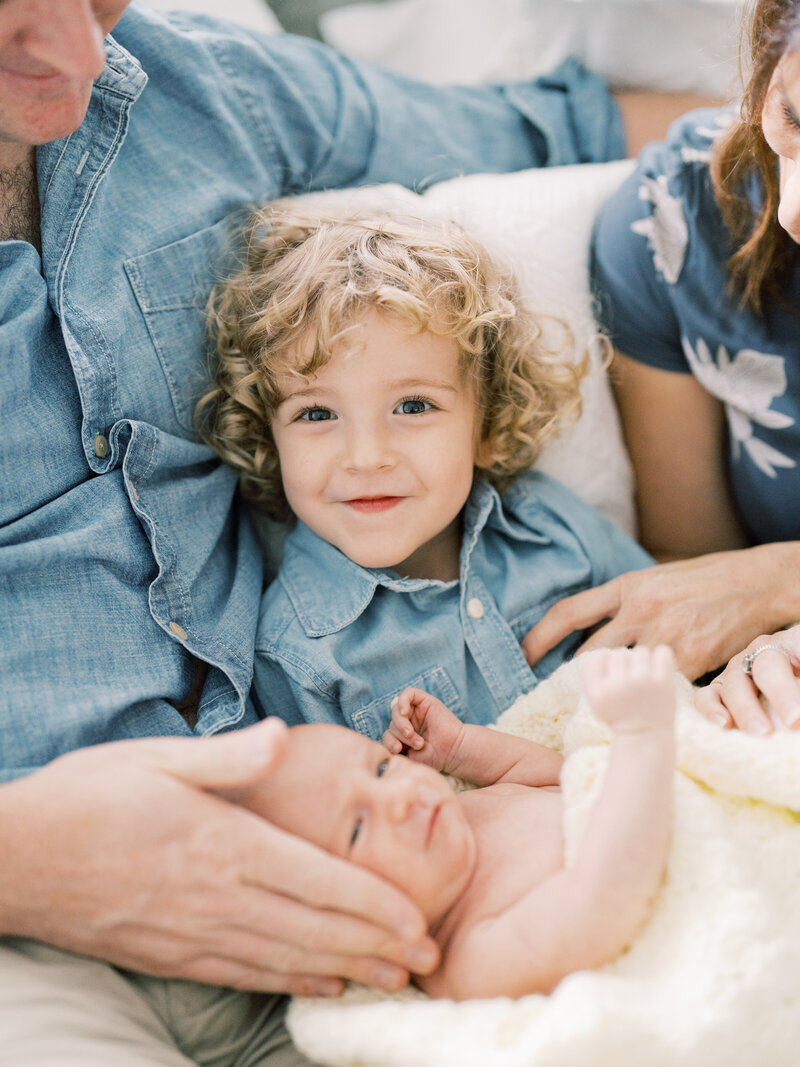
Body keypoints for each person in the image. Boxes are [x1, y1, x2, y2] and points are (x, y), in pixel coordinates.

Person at [0, 0, 723, 1060]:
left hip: (397, 919)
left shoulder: (185, 80)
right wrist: (25, 858)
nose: (81, 55)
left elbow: (553, 128)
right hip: (41, 950)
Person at [196, 203, 653, 737]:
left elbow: (680, 640)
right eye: (316, 414)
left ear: (486, 426)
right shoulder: (298, 659)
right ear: (271, 442)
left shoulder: (556, 528)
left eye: (413, 406)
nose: (366, 456)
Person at [522, 0, 800, 739]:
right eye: (797, 121)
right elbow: (697, 569)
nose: (794, 211)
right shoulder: (680, 226)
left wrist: (779, 581)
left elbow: (744, 586)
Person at [223, 645, 677, 1000]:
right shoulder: (470, 958)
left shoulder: (460, 814)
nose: (399, 797)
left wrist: (459, 749)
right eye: (357, 830)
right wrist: (641, 738)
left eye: (381, 769)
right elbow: (600, 905)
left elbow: (561, 778)